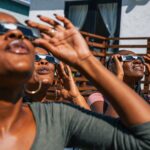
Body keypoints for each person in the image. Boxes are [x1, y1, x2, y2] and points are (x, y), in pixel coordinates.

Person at [0, 11, 150, 150]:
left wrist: (85, 60)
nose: (16, 34)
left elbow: (145, 138)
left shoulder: (56, 118)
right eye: (2, 29)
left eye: (24, 33)